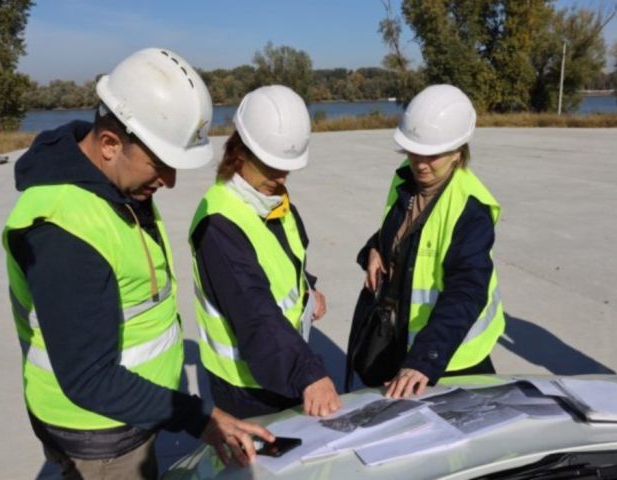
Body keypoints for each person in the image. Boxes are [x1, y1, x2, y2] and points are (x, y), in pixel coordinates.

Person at [2, 48, 273, 479]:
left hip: (131, 413)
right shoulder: (63, 231)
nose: (170, 181)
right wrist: (199, 417)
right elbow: (90, 379)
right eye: (161, 164)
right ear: (110, 144)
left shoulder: (114, 185)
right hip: (100, 435)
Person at [189, 85, 341, 419]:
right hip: (248, 389)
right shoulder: (218, 225)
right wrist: (308, 373)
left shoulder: (270, 199)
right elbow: (254, 310)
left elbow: (287, 257)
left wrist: (308, 288)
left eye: (287, 168)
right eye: (272, 166)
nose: (282, 177)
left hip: (281, 363)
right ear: (240, 152)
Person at [355, 84, 505, 399]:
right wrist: (374, 249)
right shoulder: (405, 180)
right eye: (414, 151)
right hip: (404, 343)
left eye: (432, 155)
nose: (420, 163)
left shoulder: (470, 208)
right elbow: (398, 234)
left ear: (458, 150)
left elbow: (467, 290)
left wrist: (424, 360)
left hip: (451, 358)